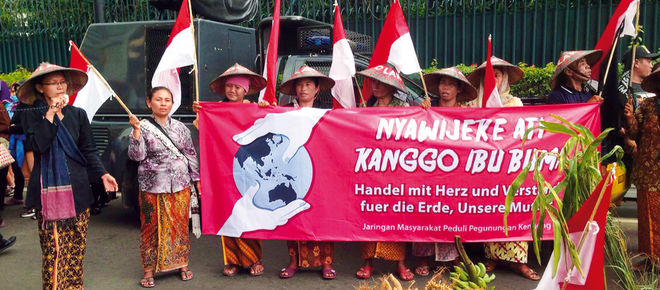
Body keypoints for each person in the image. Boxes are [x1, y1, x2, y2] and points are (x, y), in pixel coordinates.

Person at [17, 62, 118, 289]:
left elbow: (89, 150)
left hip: (78, 191)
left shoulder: (77, 115)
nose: (60, 87)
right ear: (41, 88)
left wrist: (103, 174)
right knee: (54, 251)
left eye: (62, 82)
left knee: (76, 247)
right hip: (47, 195)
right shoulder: (33, 115)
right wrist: (52, 114)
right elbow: (38, 145)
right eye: (54, 83)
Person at [466, 59, 541, 280]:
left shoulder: (514, 103)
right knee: (492, 211)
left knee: (514, 210)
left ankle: (519, 262)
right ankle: (493, 256)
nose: (493, 79)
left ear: (504, 78)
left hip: (511, 166)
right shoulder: (473, 105)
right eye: (489, 76)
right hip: (484, 167)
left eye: (497, 75)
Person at [195, 63, 269, 277]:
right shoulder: (215, 110)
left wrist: (267, 109)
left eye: (238, 87)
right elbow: (203, 132)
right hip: (224, 170)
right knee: (228, 212)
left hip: (251, 169)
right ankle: (233, 260)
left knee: (252, 211)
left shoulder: (255, 108)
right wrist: (201, 115)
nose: (233, 91)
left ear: (246, 90)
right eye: (229, 86)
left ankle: (255, 259)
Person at [407, 67, 477, 276]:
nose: (445, 88)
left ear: (458, 89)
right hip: (429, 171)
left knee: (455, 215)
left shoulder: (466, 113)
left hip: (456, 173)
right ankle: (423, 258)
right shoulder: (428, 108)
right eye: (442, 83)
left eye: (450, 84)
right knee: (426, 214)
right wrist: (422, 112)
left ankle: (455, 258)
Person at [128, 87, 200, 288]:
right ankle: (149, 270)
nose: (163, 103)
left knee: (178, 227)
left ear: (172, 103)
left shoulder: (180, 128)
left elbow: (190, 155)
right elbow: (136, 156)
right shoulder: (141, 126)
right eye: (158, 99)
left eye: (167, 100)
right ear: (149, 102)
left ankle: (181, 264)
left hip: (180, 185)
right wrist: (135, 131)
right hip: (151, 186)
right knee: (150, 228)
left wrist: (197, 180)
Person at [275, 65, 338, 279]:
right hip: (292, 172)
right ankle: (293, 262)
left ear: (317, 89)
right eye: (300, 84)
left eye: (308, 84)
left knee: (321, 216)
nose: (303, 89)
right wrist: (263, 108)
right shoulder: (283, 114)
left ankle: (326, 263)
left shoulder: (327, 116)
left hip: (320, 172)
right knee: (293, 216)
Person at [354, 63, 414, 281]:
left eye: (381, 83)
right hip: (369, 172)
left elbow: (417, 131)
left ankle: (400, 262)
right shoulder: (364, 107)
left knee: (397, 215)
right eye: (374, 82)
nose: (376, 86)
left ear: (391, 87)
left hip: (396, 172)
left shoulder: (405, 108)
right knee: (369, 214)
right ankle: (367, 262)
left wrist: (425, 111)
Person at [624, 66, 660, 265]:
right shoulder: (647, 105)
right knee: (648, 217)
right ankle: (650, 259)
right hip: (648, 170)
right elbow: (633, 134)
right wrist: (630, 118)